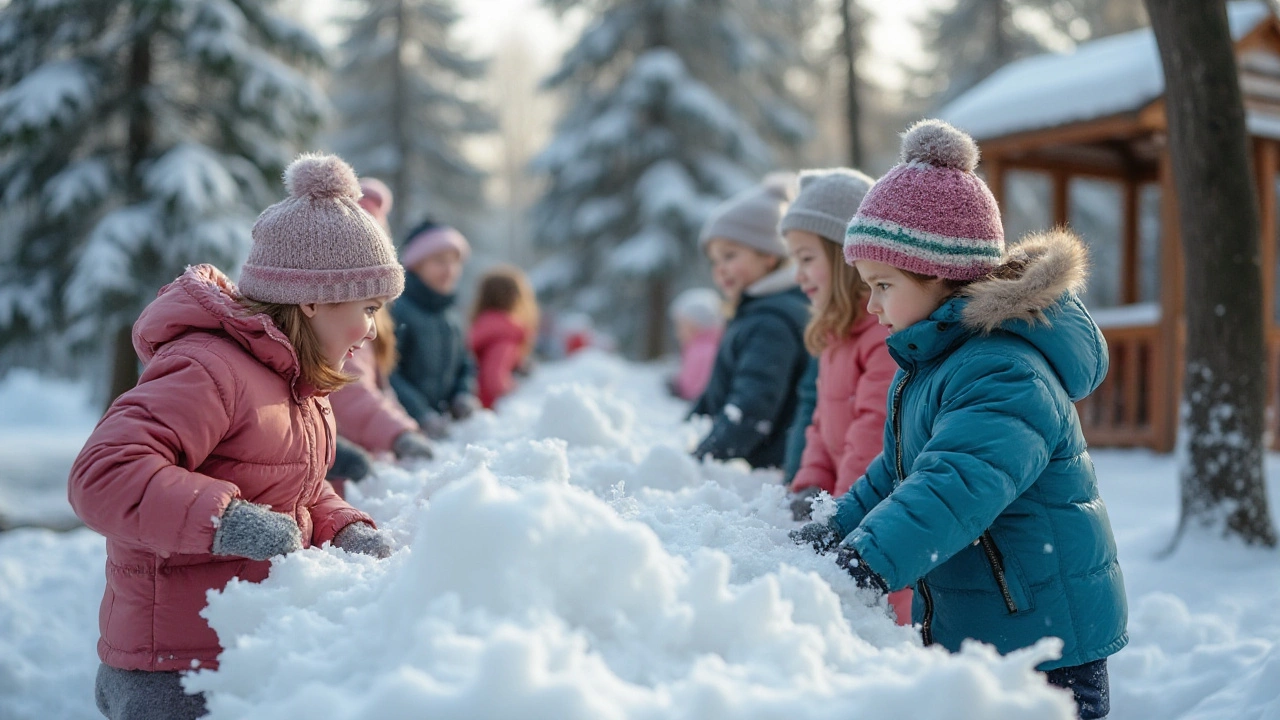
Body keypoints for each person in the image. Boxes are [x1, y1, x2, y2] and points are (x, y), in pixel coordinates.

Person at [791, 120, 1127, 720]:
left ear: (942, 274)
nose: (872, 305)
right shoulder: (932, 365)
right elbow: (894, 474)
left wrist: (859, 562)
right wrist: (832, 532)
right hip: (993, 625)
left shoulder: (1002, 371)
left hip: (1046, 647)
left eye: (884, 285)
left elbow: (954, 486)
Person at [68, 154, 400, 720]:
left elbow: (290, 489)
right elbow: (104, 474)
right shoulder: (209, 368)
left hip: (232, 653)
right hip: (171, 674)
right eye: (366, 307)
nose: (372, 328)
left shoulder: (293, 383)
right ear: (313, 299)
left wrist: (342, 528)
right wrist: (226, 520)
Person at [778, 168, 909, 626]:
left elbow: (873, 435)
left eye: (807, 258)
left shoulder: (880, 335)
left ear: (843, 256)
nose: (798, 275)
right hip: (843, 512)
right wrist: (809, 485)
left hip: (873, 529)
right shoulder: (835, 336)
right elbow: (820, 424)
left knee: (879, 632)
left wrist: (838, 517)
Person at [690, 175, 810, 469]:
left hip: (762, 466)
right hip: (747, 460)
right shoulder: (753, 312)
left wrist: (698, 460)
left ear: (769, 255)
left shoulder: (771, 322)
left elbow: (751, 409)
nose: (720, 270)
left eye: (729, 256)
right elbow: (716, 395)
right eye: (714, 261)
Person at [389, 219, 479, 438]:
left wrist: (462, 395)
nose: (449, 270)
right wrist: (421, 414)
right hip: (406, 428)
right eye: (439, 261)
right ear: (417, 265)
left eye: (455, 262)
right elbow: (388, 372)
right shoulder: (398, 310)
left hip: (443, 427)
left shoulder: (451, 315)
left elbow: (464, 364)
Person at [467, 265, 540, 409]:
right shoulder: (506, 337)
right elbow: (495, 380)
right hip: (490, 409)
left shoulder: (482, 326)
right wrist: (517, 391)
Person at [667, 287, 724, 401]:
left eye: (681, 326)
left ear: (697, 325)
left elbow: (698, 391)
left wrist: (677, 390)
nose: (677, 332)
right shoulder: (696, 348)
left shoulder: (704, 352)